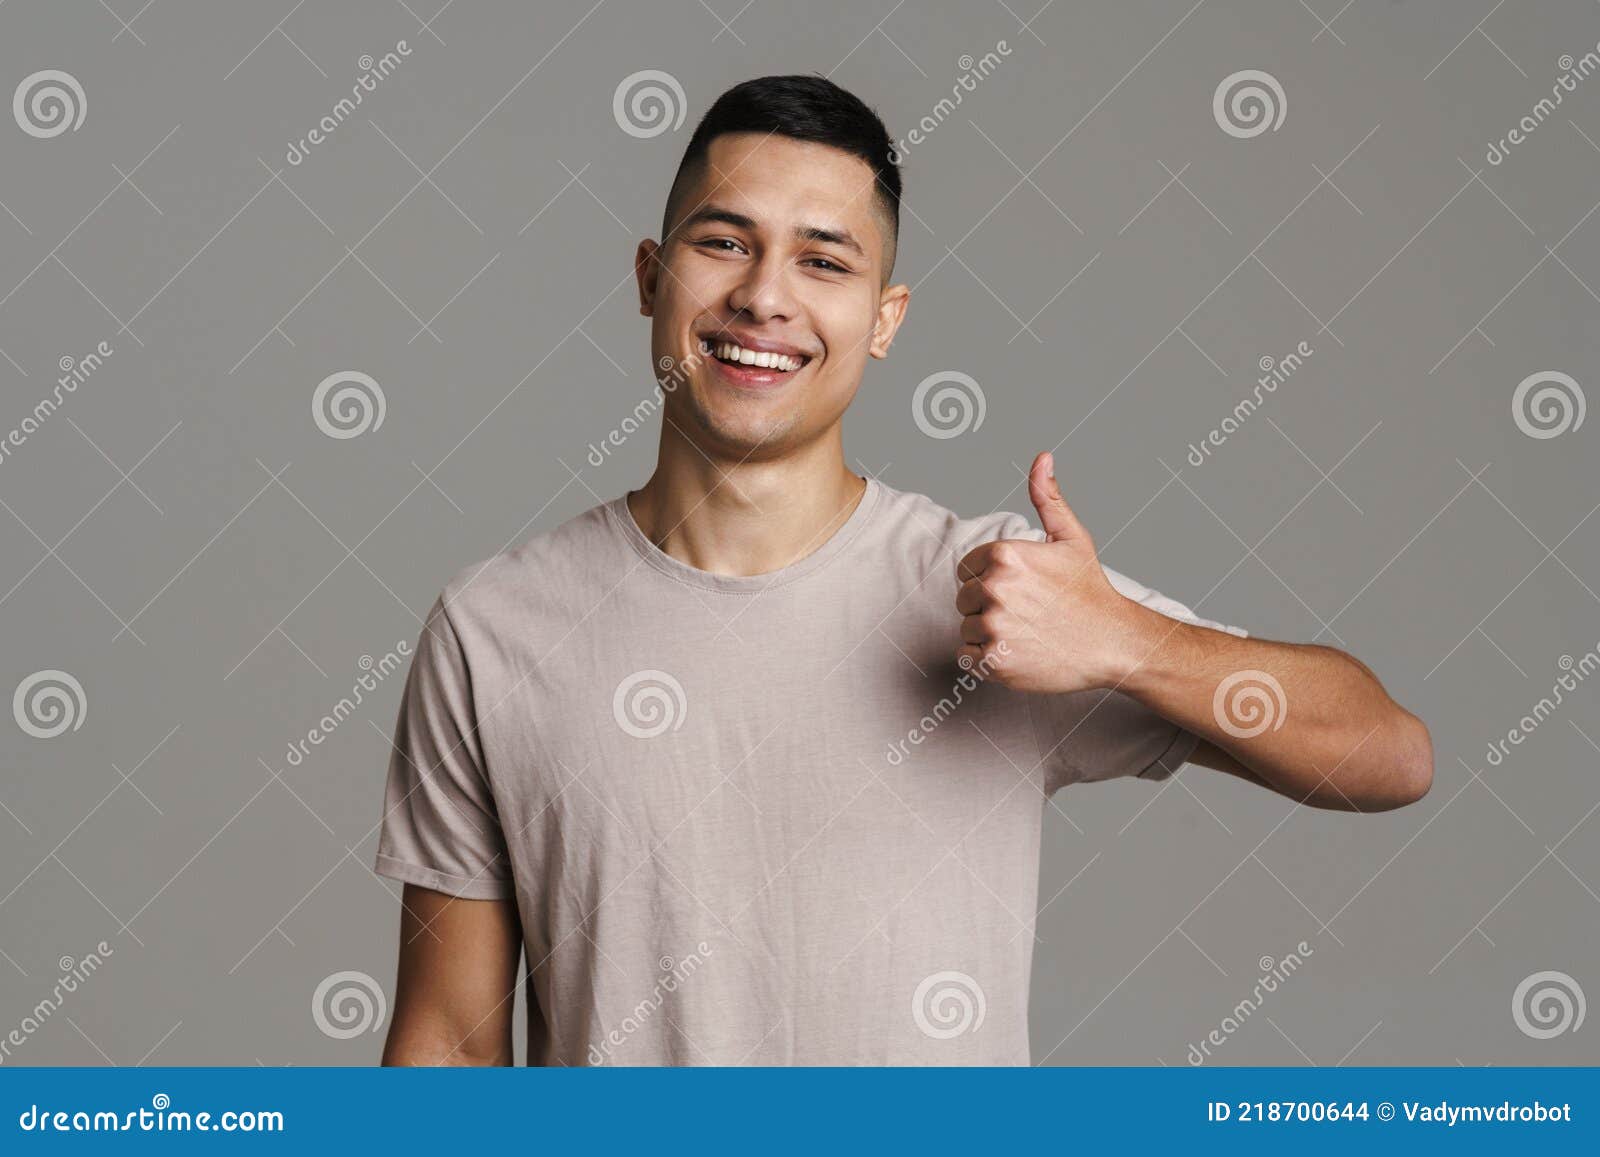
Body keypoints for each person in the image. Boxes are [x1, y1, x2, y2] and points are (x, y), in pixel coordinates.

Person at [374, 74, 1432, 1066]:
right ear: (652, 276)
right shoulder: (495, 627)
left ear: (883, 320)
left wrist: (1123, 639)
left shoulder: (998, 595)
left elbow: (1388, 754)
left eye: (823, 261)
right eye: (724, 242)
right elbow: (448, 1046)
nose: (763, 297)